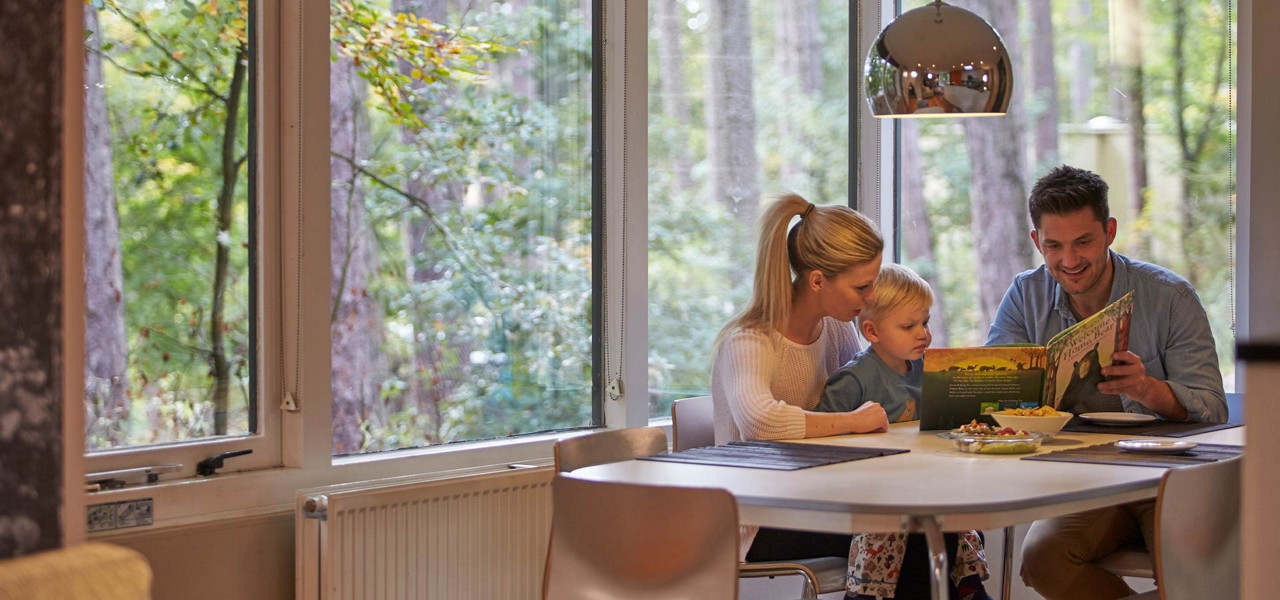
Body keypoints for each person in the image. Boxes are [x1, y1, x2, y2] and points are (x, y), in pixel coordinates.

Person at [711, 194, 988, 600]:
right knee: (910, 537)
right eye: (862, 286)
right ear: (818, 280)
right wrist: (853, 421)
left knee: (940, 524)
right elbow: (762, 421)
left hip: (817, 498)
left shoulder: (836, 330)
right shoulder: (750, 340)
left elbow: (866, 391)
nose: (872, 296)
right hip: (756, 521)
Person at [985, 165, 1227, 600]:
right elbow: (993, 396)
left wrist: (1148, 388)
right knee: (1041, 557)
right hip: (1085, 482)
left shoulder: (1170, 297)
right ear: (1036, 241)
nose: (1070, 260)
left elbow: (1212, 405)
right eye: (1054, 246)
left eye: (1084, 242)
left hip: (1168, 481)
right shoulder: (1025, 295)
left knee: (1190, 572)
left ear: (1110, 231)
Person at [818, 263, 991, 599]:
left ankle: (964, 589)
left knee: (960, 526)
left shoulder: (928, 370)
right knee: (907, 535)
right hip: (872, 492)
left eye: (925, 322)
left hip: (921, 484)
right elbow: (824, 439)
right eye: (908, 325)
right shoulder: (854, 379)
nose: (922, 333)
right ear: (872, 331)